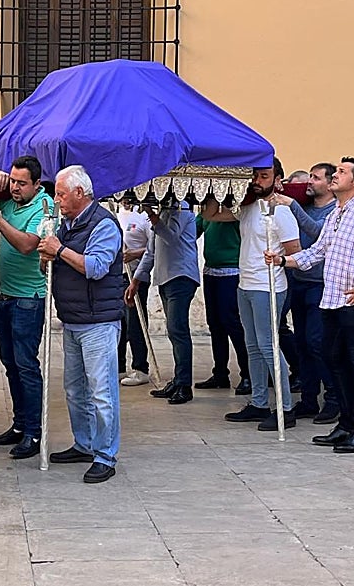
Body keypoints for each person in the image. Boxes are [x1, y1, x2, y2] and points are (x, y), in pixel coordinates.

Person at [269, 158, 354, 455]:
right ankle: (346, 424)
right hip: (334, 299)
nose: (335, 176)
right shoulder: (336, 213)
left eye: (341, 172)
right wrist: (285, 261)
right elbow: (318, 250)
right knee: (335, 360)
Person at [39, 166, 124, 484]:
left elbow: (97, 267)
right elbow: (54, 264)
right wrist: (46, 256)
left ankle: (105, 454)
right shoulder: (66, 225)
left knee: (102, 392)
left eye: (61, 193)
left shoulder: (103, 224)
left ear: (80, 193)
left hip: (98, 321)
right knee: (75, 389)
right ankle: (84, 443)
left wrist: (58, 250)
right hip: (73, 318)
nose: (57, 199)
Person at [203, 162, 301, 432]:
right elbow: (211, 214)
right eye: (254, 176)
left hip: (268, 285)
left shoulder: (281, 212)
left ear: (277, 179)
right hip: (245, 283)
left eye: (264, 176)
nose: (258, 180)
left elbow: (295, 250)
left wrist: (280, 260)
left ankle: (285, 408)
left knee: (269, 344)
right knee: (253, 345)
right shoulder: (248, 207)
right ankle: (258, 402)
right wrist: (215, 185)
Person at [0, 156, 51, 459]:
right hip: (7, 297)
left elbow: (26, 245)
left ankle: (34, 432)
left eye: (22, 183)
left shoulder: (44, 208)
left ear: (37, 184)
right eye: (13, 180)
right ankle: (20, 424)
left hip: (29, 300)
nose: (15, 187)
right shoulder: (10, 199)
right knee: (10, 365)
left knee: (26, 365)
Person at [280, 162, 337, 423]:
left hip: (321, 283)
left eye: (315, 178)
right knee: (302, 342)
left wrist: (291, 206)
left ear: (330, 183)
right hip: (299, 279)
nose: (310, 183)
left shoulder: (335, 211)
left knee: (317, 342)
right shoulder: (305, 206)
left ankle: (333, 398)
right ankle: (309, 398)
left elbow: (318, 235)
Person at [128, 202, 199, 404]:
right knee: (174, 331)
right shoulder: (164, 212)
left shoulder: (183, 209)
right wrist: (136, 280)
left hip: (181, 276)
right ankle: (178, 380)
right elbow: (151, 251)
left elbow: (171, 237)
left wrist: (151, 214)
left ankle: (184, 384)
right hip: (166, 278)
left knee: (178, 329)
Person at [193, 210, 251, 395]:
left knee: (232, 323)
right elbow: (191, 232)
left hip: (232, 271)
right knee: (215, 324)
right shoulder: (206, 214)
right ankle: (220, 373)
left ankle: (248, 374)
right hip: (211, 271)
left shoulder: (235, 213)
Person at [118, 203, 152, 386]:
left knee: (135, 324)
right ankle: (119, 368)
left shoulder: (143, 217)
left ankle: (141, 368)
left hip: (136, 276)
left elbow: (155, 247)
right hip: (118, 276)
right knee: (119, 324)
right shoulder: (117, 213)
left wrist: (135, 254)